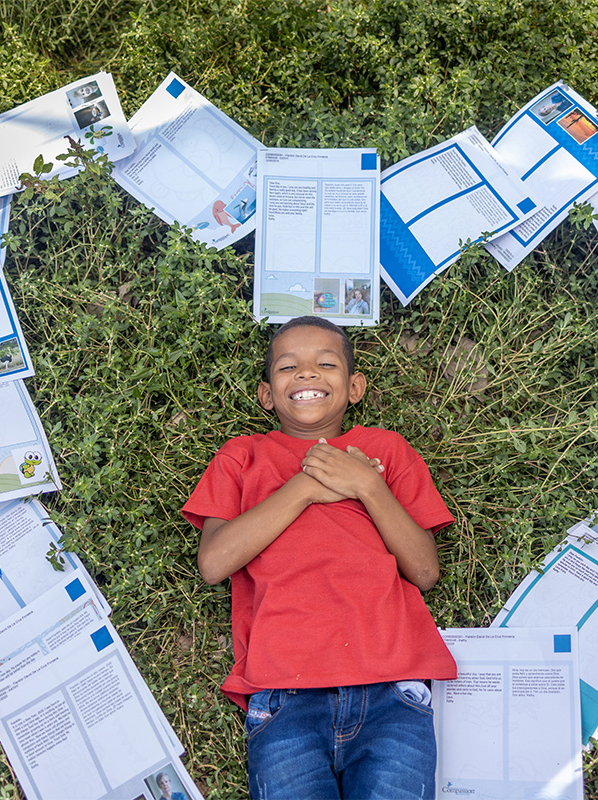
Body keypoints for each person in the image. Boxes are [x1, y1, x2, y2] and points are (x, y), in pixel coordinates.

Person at [182, 316, 456, 799]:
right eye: (288, 367)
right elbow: (214, 563)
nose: (307, 374)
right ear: (267, 394)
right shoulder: (242, 456)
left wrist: (366, 484)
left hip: (391, 686)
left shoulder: (384, 451)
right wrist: (306, 487)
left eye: (325, 364)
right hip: (285, 691)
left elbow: (425, 570)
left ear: (354, 387)